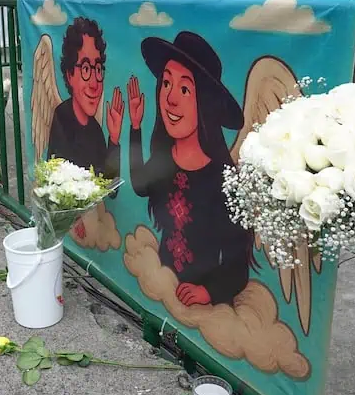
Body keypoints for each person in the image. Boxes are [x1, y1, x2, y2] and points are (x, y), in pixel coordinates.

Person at [126, 31, 252, 306]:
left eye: (185, 89)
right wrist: (135, 127)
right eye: (166, 84)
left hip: (204, 308)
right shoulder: (164, 157)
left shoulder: (225, 180)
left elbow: (238, 265)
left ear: (204, 102)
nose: (170, 99)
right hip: (163, 288)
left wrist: (207, 293)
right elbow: (140, 186)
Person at [47, 17, 122, 179]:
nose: (94, 83)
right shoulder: (62, 118)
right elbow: (60, 183)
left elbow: (110, 187)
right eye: (86, 69)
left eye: (98, 69)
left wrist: (114, 140)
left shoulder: (95, 130)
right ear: (69, 75)